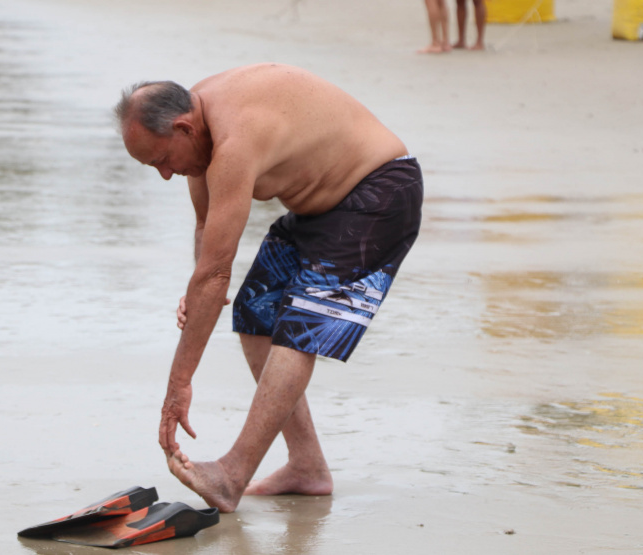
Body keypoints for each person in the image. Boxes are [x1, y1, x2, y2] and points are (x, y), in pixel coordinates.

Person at [114, 64, 423, 513]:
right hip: (318, 210)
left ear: (183, 128)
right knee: (256, 314)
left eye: (162, 160)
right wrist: (197, 290)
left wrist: (178, 385)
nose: (165, 174)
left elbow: (216, 273)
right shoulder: (197, 123)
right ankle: (307, 467)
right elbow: (206, 231)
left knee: (300, 329)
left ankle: (232, 474)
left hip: (380, 192)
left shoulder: (234, 138)